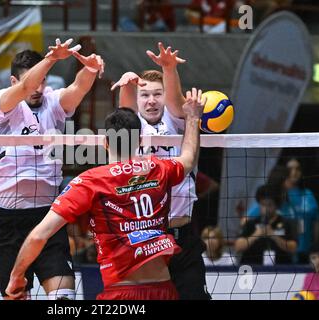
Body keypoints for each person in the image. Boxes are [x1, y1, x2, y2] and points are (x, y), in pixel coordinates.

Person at [5, 88, 205, 300]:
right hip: (164, 290)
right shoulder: (159, 169)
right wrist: (193, 117)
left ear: (105, 142)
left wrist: (17, 275)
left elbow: (38, 235)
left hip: (121, 294)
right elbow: (189, 158)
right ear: (139, 141)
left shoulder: (90, 181)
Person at [0, 38, 105, 299]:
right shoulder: (2, 104)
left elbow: (78, 88)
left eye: (43, 81)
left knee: (64, 298)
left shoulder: (54, 103)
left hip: (48, 215)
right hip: (7, 219)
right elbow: (28, 85)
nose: (37, 87)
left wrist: (91, 68)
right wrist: (51, 59)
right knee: (16, 295)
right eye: (32, 81)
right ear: (13, 82)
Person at [111, 42, 211, 299]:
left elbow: (178, 104)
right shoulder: (133, 126)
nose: (152, 100)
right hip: (146, 236)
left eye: (158, 94)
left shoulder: (177, 120)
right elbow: (125, 112)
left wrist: (168, 68)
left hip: (183, 235)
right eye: (145, 95)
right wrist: (126, 86)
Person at [244, 159, 319, 263]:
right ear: (281, 179)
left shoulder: (302, 194)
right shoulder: (270, 200)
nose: (293, 175)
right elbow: (245, 220)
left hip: (302, 251)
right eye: (289, 174)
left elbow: (315, 221)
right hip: (278, 255)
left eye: (297, 169)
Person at [234, 184, 297, 265]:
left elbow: (293, 248)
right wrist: (255, 235)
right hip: (252, 268)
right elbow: (238, 247)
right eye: (263, 204)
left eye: (269, 205)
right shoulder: (251, 223)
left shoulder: (286, 223)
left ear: (276, 205)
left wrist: (274, 236)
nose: (266, 208)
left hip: (280, 269)